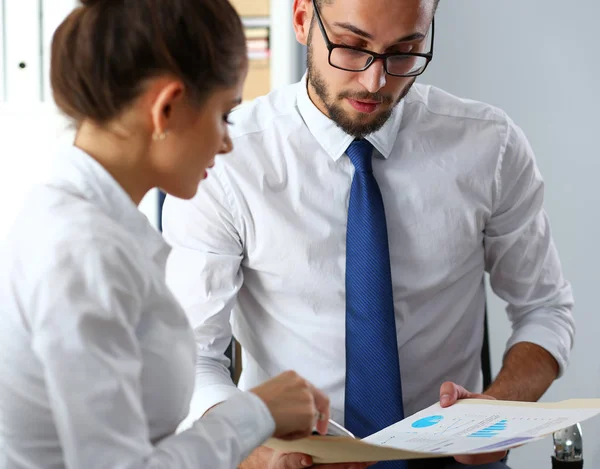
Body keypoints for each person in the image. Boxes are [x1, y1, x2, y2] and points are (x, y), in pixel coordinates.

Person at [162, 0, 575, 468]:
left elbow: (545, 309)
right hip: (294, 456)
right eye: (353, 46)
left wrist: (502, 406)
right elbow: (190, 354)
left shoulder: (489, 146)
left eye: (404, 51)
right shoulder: (226, 159)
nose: (375, 81)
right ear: (302, 20)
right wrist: (251, 450)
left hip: (453, 460)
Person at [0, 0, 334, 468]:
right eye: (224, 114)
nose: (226, 142)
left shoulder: (85, 221)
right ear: (168, 107)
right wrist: (254, 413)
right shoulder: (82, 249)